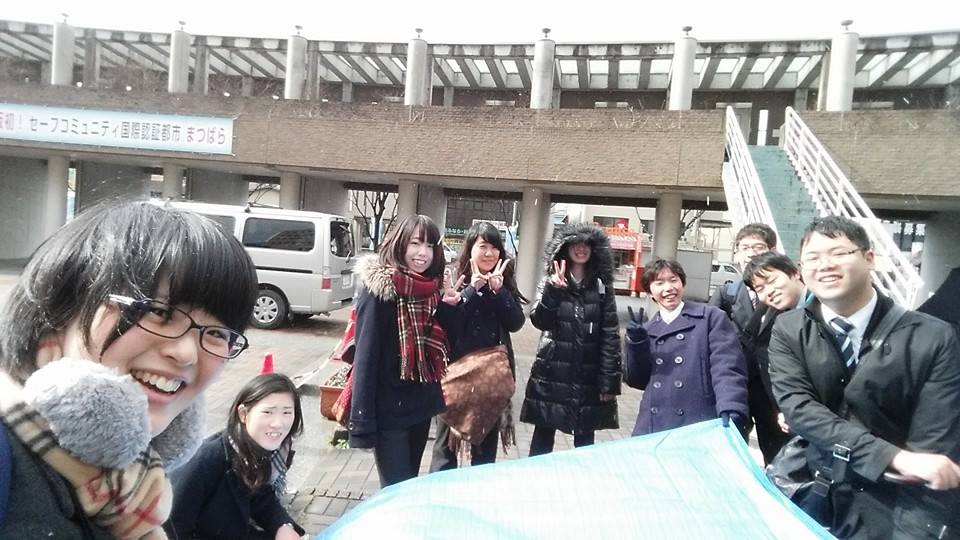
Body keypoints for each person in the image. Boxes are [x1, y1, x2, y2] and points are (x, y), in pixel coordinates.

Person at [0, 201, 258, 539]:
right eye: (158, 312)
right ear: (62, 308)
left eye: (218, 334)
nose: (186, 354)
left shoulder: (136, 487)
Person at [768, 216, 960, 538]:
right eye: (813, 258)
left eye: (839, 253)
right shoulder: (790, 329)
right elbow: (800, 410)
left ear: (869, 258)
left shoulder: (933, 337)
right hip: (819, 497)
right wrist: (893, 457)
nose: (825, 265)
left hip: (894, 506)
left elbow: (932, 450)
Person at [347, 214, 459, 486]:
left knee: (409, 485)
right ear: (400, 244)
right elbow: (366, 357)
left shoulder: (430, 289)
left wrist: (449, 308)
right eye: (415, 243)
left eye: (430, 245)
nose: (423, 253)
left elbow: (444, 346)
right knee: (396, 490)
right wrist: (361, 422)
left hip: (419, 406)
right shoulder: (380, 290)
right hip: (389, 408)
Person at [430, 222, 526, 471]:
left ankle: (477, 490)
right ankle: (440, 490)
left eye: (494, 247)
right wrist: (473, 290)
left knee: (484, 452)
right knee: (445, 450)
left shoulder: (503, 281)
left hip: (490, 380)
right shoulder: (455, 280)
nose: (489, 253)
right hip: (455, 377)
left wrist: (498, 292)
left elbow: (516, 323)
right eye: (483, 246)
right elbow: (448, 325)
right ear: (470, 249)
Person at [520, 223, 621, 456]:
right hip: (552, 372)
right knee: (543, 437)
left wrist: (609, 381)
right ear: (565, 248)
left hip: (588, 375)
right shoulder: (550, 281)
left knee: (584, 440)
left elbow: (610, 334)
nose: (581, 249)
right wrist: (554, 291)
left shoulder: (601, 287)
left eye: (586, 244)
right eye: (575, 244)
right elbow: (539, 321)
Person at [167, 373, 305, 540]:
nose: (278, 423)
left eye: (287, 412)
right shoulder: (203, 461)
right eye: (268, 412)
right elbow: (170, 531)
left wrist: (283, 525)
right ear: (243, 414)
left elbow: (261, 495)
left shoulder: (256, 449)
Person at [624, 259, 749, 436]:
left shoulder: (710, 318)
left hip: (699, 419)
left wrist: (731, 405)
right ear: (650, 291)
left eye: (673, 280)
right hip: (655, 423)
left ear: (682, 284)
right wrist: (635, 343)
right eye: (659, 283)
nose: (668, 288)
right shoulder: (646, 330)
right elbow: (637, 380)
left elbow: (727, 367)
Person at [740, 252, 811, 463]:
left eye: (772, 280)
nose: (769, 291)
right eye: (760, 288)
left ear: (795, 273)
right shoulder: (771, 309)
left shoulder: (827, 309)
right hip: (775, 411)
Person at [709, 223, 778, 333]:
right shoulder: (725, 294)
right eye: (744, 248)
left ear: (773, 252)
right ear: (737, 254)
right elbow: (711, 331)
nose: (751, 254)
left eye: (759, 247)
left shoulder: (785, 293)